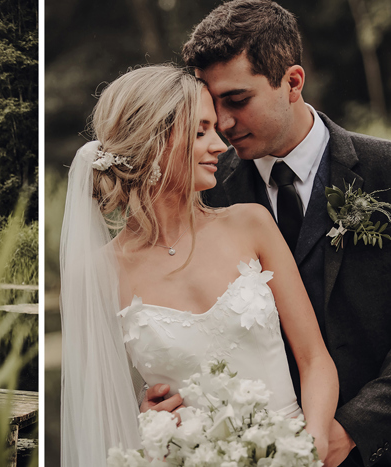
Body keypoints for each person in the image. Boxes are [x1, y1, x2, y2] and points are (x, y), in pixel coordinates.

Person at [142, 2, 391, 466]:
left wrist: (354, 429)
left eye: (237, 100)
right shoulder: (207, 194)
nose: (225, 122)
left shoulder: (385, 172)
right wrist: (159, 402)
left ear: (293, 82)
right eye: (214, 106)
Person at [60, 64, 338, 467]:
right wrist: (142, 417)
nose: (220, 145)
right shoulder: (96, 274)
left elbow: (315, 361)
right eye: (200, 131)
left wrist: (313, 446)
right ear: (155, 142)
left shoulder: (252, 224)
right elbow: (98, 410)